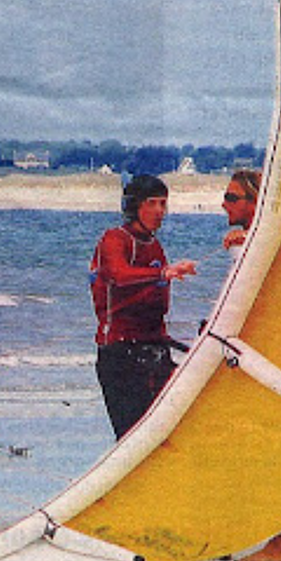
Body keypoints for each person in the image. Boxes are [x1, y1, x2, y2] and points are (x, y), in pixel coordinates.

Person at [220, 168, 281, 561]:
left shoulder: (270, 235)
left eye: (232, 198)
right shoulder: (254, 237)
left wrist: (249, 239)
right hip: (249, 355)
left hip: (270, 356)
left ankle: (279, 546)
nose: (224, 205)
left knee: (269, 451)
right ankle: (249, 535)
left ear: (254, 202)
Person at [90, 175, 197, 439]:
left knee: (173, 429)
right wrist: (163, 273)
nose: (160, 211)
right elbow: (118, 274)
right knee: (132, 436)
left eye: (163, 203)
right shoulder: (114, 239)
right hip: (120, 354)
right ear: (134, 206)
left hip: (155, 351)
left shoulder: (155, 246)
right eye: (152, 203)